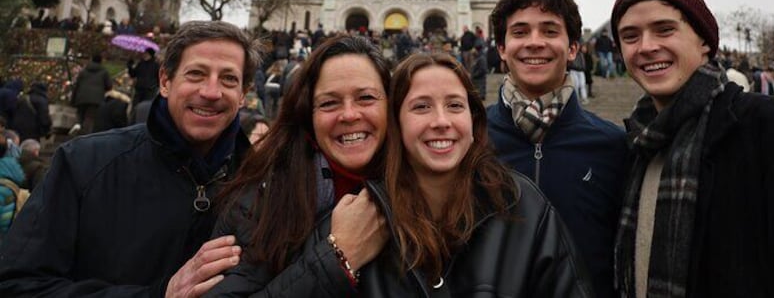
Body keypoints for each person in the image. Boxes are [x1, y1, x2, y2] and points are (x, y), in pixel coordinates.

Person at [609, 0, 774, 297]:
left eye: (665, 29)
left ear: (704, 41)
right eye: (630, 36)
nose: (647, 46)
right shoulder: (639, 145)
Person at [0, 21, 263, 296]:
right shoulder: (83, 163)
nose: (211, 92)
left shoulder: (267, 184)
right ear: (165, 81)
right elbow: (16, 286)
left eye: (229, 79)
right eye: (196, 74)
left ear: (243, 94)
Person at [342, 52, 593, 296]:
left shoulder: (524, 204)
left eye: (454, 105)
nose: (441, 121)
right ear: (396, 123)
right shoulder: (358, 216)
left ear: (473, 121)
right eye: (421, 106)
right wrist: (339, 257)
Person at [206, 35, 390, 296]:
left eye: (366, 98)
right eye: (329, 102)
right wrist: (337, 259)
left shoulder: (427, 190)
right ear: (307, 113)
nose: (349, 115)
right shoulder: (261, 198)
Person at [486, 0, 627, 298]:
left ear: (573, 47)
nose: (534, 42)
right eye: (520, 32)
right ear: (502, 49)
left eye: (550, 31)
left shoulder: (613, 145)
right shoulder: (468, 140)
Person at [70, 52, 112, 135]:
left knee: (81, 115)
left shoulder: (84, 71)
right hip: (95, 99)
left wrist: (73, 99)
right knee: (90, 118)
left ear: (92, 59)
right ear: (101, 61)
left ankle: (78, 128)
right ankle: (85, 135)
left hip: (81, 97)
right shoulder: (104, 72)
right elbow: (109, 86)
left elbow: (77, 85)